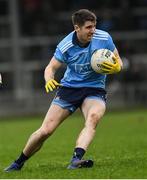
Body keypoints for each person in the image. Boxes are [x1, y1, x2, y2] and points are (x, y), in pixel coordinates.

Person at [4, 9, 123, 171]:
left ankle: (76, 160)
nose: (93, 30)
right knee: (46, 130)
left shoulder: (104, 38)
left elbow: (118, 61)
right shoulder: (66, 45)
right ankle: (18, 162)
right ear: (77, 28)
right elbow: (50, 67)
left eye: (94, 26)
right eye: (88, 27)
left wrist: (117, 67)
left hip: (95, 89)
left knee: (93, 118)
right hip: (69, 89)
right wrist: (49, 80)